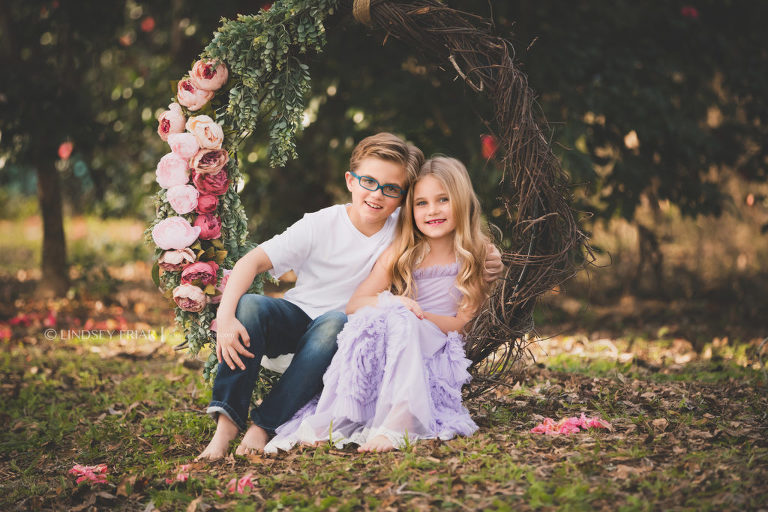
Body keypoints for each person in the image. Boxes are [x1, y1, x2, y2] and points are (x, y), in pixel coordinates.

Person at [197, 134, 503, 460]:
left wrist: (490, 255)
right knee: (252, 305)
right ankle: (225, 425)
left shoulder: (407, 226)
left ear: (401, 198)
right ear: (350, 181)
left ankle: (264, 425)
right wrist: (227, 317)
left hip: (343, 333)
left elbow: (449, 220)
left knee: (335, 321)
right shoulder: (321, 225)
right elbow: (251, 262)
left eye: (390, 189)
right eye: (368, 182)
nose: (376, 195)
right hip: (298, 320)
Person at [265, 156, 489, 453]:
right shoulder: (405, 250)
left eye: (443, 200)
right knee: (375, 319)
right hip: (397, 337)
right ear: (410, 210)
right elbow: (356, 303)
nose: (432, 210)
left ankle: (400, 424)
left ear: (461, 201)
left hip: (437, 344)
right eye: (421, 203)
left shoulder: (474, 254)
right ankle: (340, 418)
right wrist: (395, 303)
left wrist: (414, 317)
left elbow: (463, 326)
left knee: (401, 318)